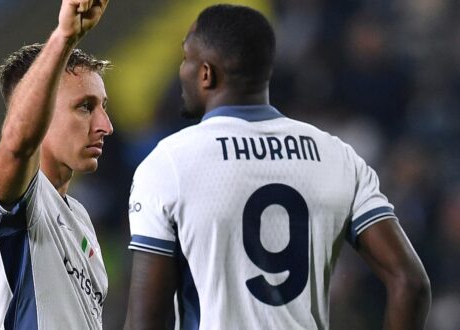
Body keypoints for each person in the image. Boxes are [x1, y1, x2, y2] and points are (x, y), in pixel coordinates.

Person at [124, 4, 431, 330]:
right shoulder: (338, 156)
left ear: (206, 73)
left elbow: (146, 320)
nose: (181, 69)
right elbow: (410, 282)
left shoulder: (170, 162)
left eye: (186, 58)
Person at [0, 0, 112, 328]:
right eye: (84, 107)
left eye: (102, 107)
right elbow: (18, 143)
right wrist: (65, 36)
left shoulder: (79, 219)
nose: (105, 125)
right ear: (40, 112)